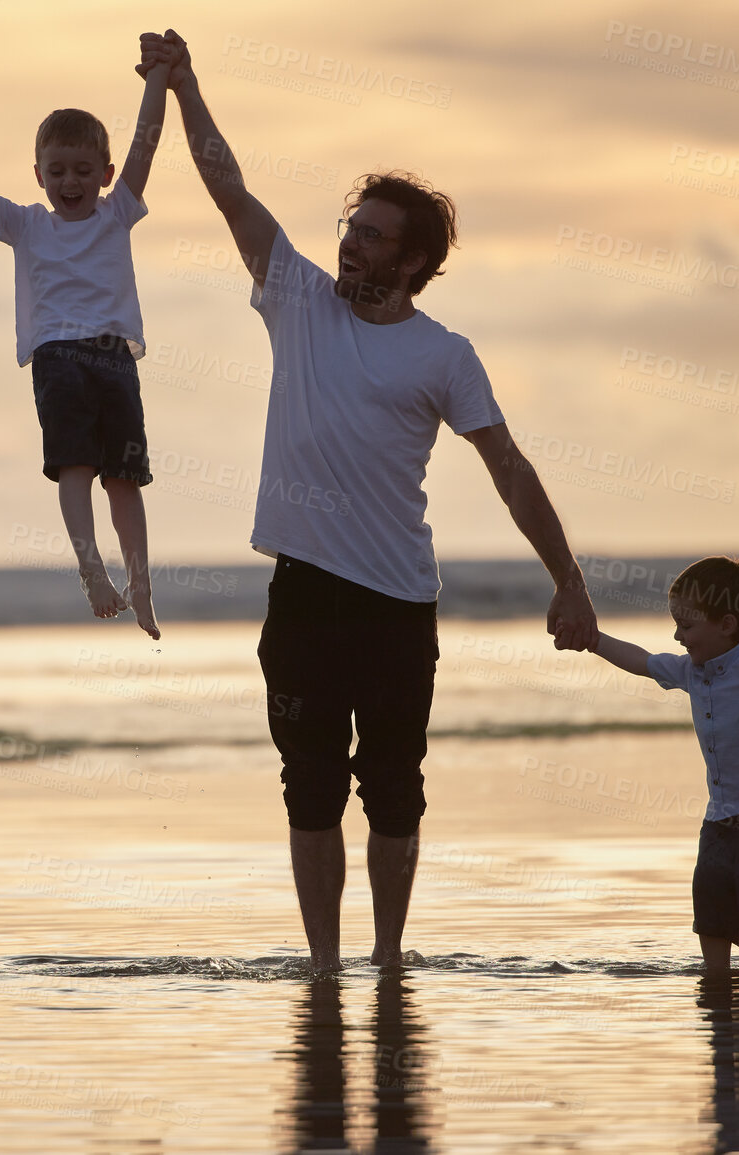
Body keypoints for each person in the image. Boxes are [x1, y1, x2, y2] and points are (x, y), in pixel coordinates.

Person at [141, 31, 599, 971]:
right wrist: (185, 87)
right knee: (307, 786)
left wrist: (570, 582)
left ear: (414, 261)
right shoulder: (297, 299)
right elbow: (227, 188)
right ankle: (322, 964)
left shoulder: (443, 354)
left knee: (393, 788)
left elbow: (508, 467)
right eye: (349, 227)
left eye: (371, 235)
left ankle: (388, 958)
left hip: (397, 600)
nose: (349, 242)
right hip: (303, 593)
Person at [0, 48, 175, 639]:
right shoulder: (28, 224)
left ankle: (142, 583)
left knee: (126, 477)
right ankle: (92, 570)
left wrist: (158, 77)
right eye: (57, 170)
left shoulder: (117, 214)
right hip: (59, 358)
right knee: (75, 466)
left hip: (113, 356)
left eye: (84, 170)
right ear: (38, 174)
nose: (70, 182)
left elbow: (147, 141)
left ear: (105, 175)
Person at [588, 556, 739, 975]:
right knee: (711, 897)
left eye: (687, 626)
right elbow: (640, 660)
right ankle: (715, 973)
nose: (678, 636)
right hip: (721, 816)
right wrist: (593, 639)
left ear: (727, 625)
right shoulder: (692, 671)